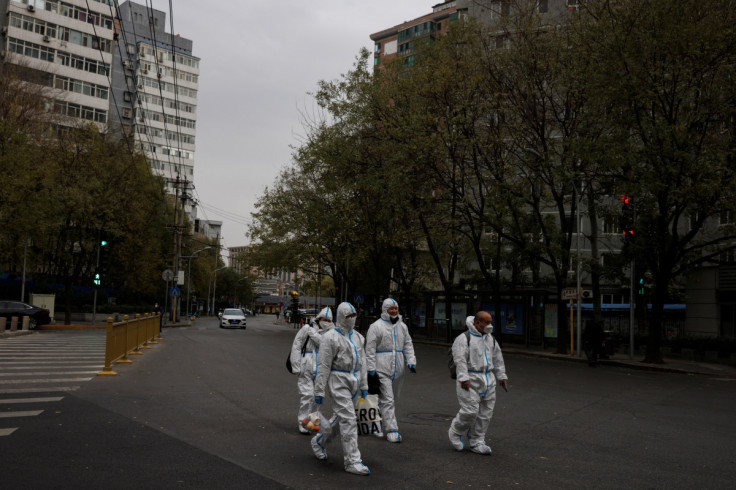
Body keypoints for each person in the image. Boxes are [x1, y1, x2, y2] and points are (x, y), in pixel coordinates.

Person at [311, 302, 370, 476]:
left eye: (354, 316)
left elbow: (363, 362)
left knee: (341, 417)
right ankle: (352, 461)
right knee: (349, 419)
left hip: (354, 380)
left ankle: (319, 441)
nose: (352, 319)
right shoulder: (330, 338)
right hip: (338, 381)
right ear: (342, 317)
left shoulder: (358, 337)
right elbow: (323, 364)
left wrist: (364, 384)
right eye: (348, 316)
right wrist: (319, 390)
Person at [448, 311, 508, 455]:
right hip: (470, 378)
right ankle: (456, 431)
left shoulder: (491, 339)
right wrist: (463, 378)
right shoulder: (464, 338)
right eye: (487, 322)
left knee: (485, 414)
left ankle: (477, 441)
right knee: (470, 411)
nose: (490, 325)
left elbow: (497, 358)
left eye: (490, 321)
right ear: (477, 322)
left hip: (488, 379)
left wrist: (501, 376)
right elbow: (460, 359)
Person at [365, 298, 417, 443]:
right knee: (388, 400)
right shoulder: (375, 327)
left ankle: (374, 424)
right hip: (381, 366)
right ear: (384, 309)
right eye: (391, 308)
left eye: (396, 308)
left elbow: (408, 344)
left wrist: (411, 361)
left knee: (391, 398)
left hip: (398, 367)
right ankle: (391, 430)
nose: (394, 311)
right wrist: (371, 368)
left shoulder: (402, 326)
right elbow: (369, 349)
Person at [290, 307, 334, 434]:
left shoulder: (331, 334)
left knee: (317, 397)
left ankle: (313, 422)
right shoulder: (306, 329)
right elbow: (297, 345)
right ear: (319, 318)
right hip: (306, 365)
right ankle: (303, 423)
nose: (326, 322)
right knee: (307, 395)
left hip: (321, 368)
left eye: (329, 320)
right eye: (324, 319)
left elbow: (327, 346)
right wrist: (296, 365)